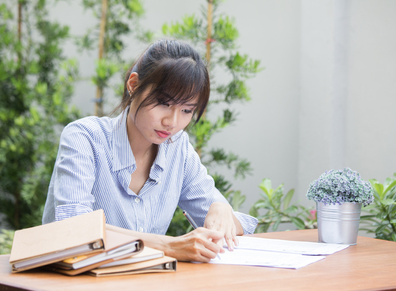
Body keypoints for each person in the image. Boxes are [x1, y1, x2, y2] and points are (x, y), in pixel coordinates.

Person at [42, 39, 258, 262]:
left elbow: (235, 227)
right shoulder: (84, 137)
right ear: (133, 85)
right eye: (164, 103)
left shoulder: (178, 148)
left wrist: (221, 209)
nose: (172, 122)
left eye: (186, 110)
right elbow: (76, 231)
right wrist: (168, 246)